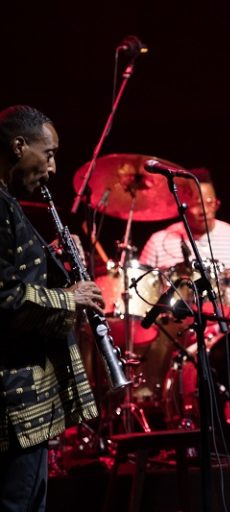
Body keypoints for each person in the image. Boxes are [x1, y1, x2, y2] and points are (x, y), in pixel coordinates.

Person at [0, 105, 104, 510]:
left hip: (24, 405)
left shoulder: (7, 201)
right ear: (18, 146)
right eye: (49, 154)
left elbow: (18, 274)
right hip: (13, 404)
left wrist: (54, 260)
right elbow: (5, 299)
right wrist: (70, 298)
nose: (53, 167)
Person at [139, 167, 230, 269]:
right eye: (196, 204)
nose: (204, 211)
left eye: (209, 203)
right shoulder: (158, 242)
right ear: (183, 205)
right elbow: (142, 282)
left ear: (217, 204)